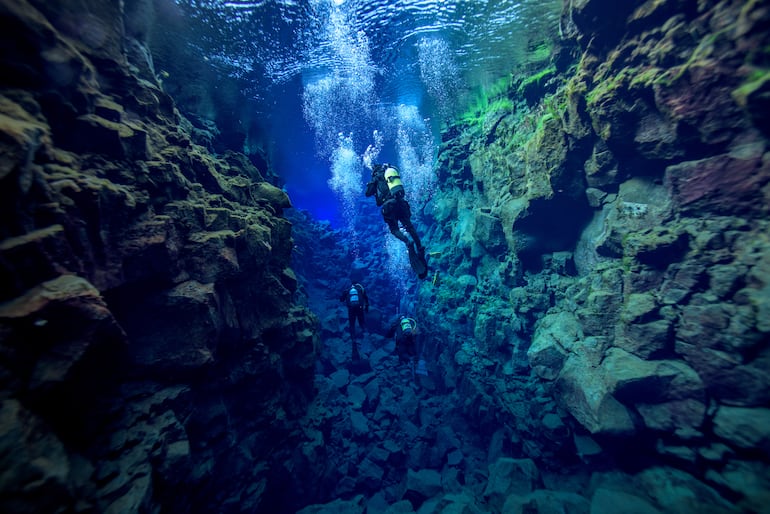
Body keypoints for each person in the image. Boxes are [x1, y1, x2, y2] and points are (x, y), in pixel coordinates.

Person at [365, 163, 424, 256]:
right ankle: (420, 248)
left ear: (374, 172)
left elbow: (367, 193)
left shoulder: (376, 177)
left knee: (394, 230)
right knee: (409, 227)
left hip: (389, 206)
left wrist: (371, 183)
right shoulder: (390, 174)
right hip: (401, 203)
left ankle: (408, 242)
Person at [339, 282, 369, 359]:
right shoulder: (360, 289)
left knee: (352, 324)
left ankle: (353, 339)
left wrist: (344, 296)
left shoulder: (347, 290)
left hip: (351, 308)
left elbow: (341, 300)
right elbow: (366, 298)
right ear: (357, 285)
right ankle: (365, 334)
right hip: (359, 307)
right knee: (361, 322)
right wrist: (366, 307)